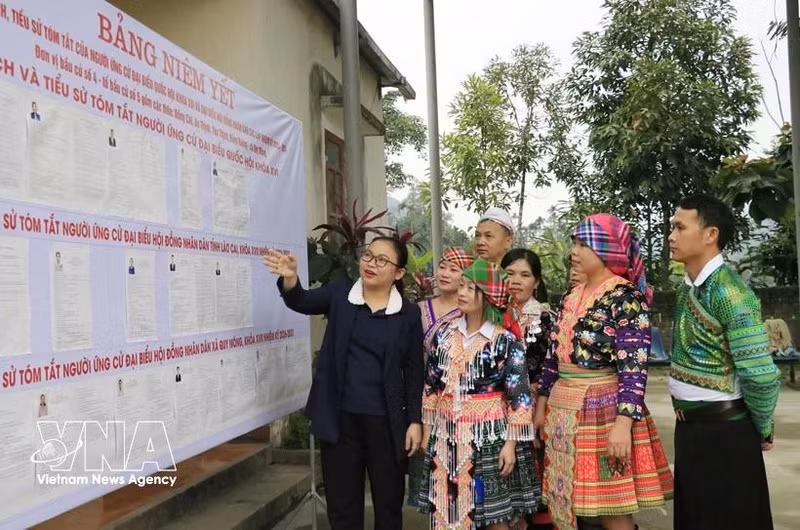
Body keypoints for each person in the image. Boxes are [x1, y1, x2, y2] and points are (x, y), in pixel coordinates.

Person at [264, 236, 423, 530]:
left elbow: (414, 370)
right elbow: (302, 300)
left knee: (388, 507)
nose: (371, 264)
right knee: (342, 507)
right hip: (340, 420)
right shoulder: (340, 294)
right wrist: (290, 280)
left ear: (399, 272)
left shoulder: (409, 314)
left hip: (387, 424)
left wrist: (415, 420)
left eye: (382, 260)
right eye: (368, 256)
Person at [535, 214, 673, 530]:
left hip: (604, 411)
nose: (574, 251)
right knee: (571, 502)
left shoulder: (625, 297)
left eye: (583, 244)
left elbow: (634, 367)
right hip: (564, 410)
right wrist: (542, 402)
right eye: (574, 243)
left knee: (612, 508)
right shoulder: (572, 295)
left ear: (606, 250)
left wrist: (623, 424)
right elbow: (553, 355)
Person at [668, 195, 779, 530]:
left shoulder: (731, 294)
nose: (671, 236)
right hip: (692, 431)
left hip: (724, 436)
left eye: (680, 227)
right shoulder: (689, 289)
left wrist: (763, 425)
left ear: (710, 234)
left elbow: (760, 374)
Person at [418, 258, 539, 529]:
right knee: (448, 511)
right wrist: (428, 432)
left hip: (489, 438)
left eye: (469, 288)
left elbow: (520, 398)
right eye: (461, 286)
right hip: (446, 436)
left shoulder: (505, 341)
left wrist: (510, 444)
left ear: (488, 295)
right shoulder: (445, 334)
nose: (461, 292)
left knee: (494, 517)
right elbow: (432, 384)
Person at [407, 246, 473, 510]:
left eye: (454, 269)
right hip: (421, 397)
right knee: (427, 477)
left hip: (458, 403)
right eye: (442, 266)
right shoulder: (418, 309)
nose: (445, 273)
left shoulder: (469, 311)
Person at [501, 248, 555, 529]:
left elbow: (551, 368)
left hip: (535, 408)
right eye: (509, 274)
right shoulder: (491, 315)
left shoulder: (546, 318)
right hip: (496, 410)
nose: (516, 281)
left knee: (536, 480)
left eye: (525, 274)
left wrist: (540, 410)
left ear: (536, 281)